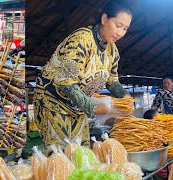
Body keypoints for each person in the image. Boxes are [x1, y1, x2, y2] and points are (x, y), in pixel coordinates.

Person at [33, 1, 132, 147]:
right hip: (52, 101)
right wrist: (93, 108)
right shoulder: (82, 39)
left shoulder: (113, 51)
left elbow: (112, 81)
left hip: (78, 107)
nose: (120, 33)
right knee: (61, 156)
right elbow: (66, 82)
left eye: (125, 29)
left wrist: (126, 98)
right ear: (104, 19)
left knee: (83, 151)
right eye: (118, 25)